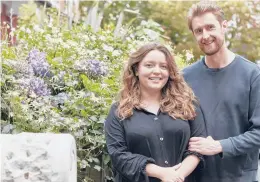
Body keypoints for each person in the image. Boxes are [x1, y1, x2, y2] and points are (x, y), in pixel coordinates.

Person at [105, 43, 205, 182]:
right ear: (136, 70)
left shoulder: (188, 105)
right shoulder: (119, 112)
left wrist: (177, 176)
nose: (157, 71)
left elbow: (198, 147)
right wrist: (161, 174)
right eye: (149, 65)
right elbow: (118, 155)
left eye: (163, 66)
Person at [183, 2, 260, 182]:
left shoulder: (252, 75)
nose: (205, 35)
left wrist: (219, 146)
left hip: (239, 177)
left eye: (210, 27)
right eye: (198, 30)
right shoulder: (185, 78)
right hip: (195, 177)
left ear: (224, 26)